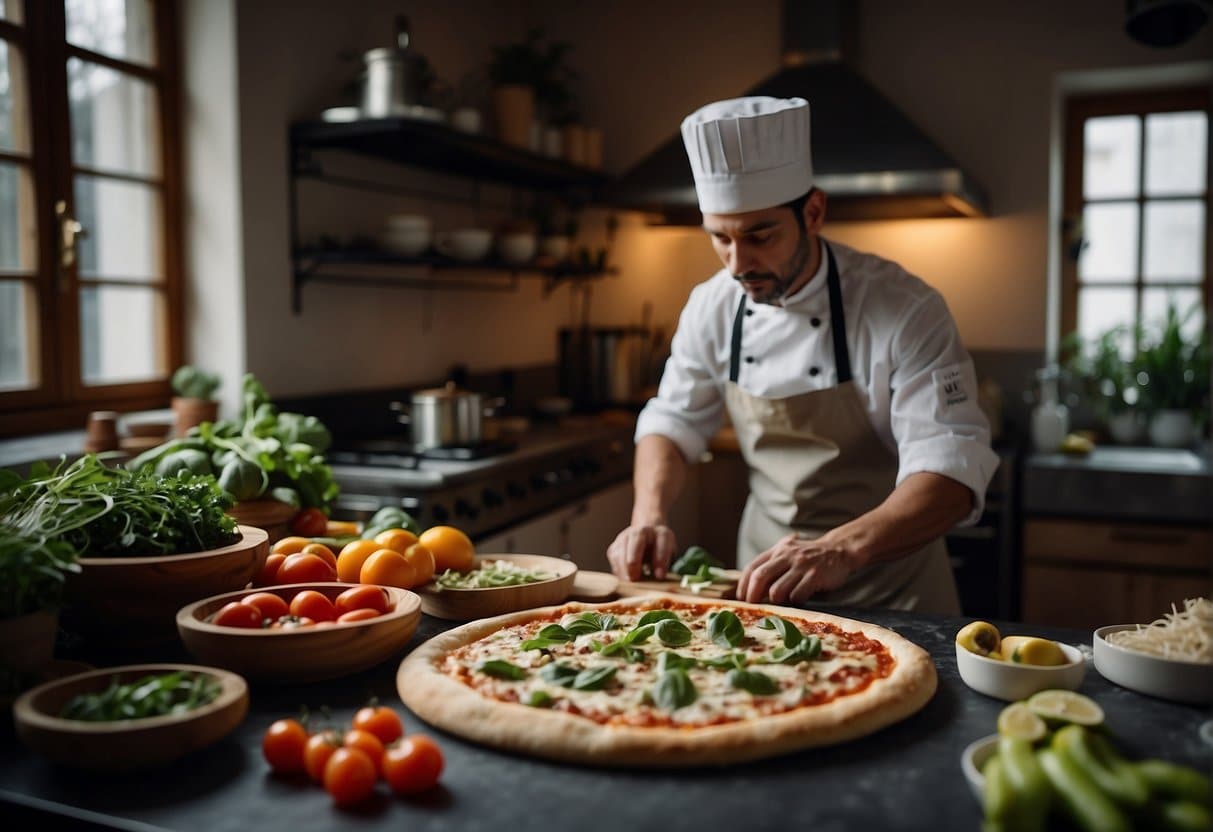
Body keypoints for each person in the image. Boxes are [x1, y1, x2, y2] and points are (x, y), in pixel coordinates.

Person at [605, 96, 999, 614]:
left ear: (813, 213)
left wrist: (839, 548)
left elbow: (950, 467)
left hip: (896, 594)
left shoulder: (904, 308)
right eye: (720, 238)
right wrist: (649, 515)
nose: (738, 263)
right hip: (765, 589)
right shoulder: (713, 304)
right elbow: (674, 421)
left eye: (760, 235)